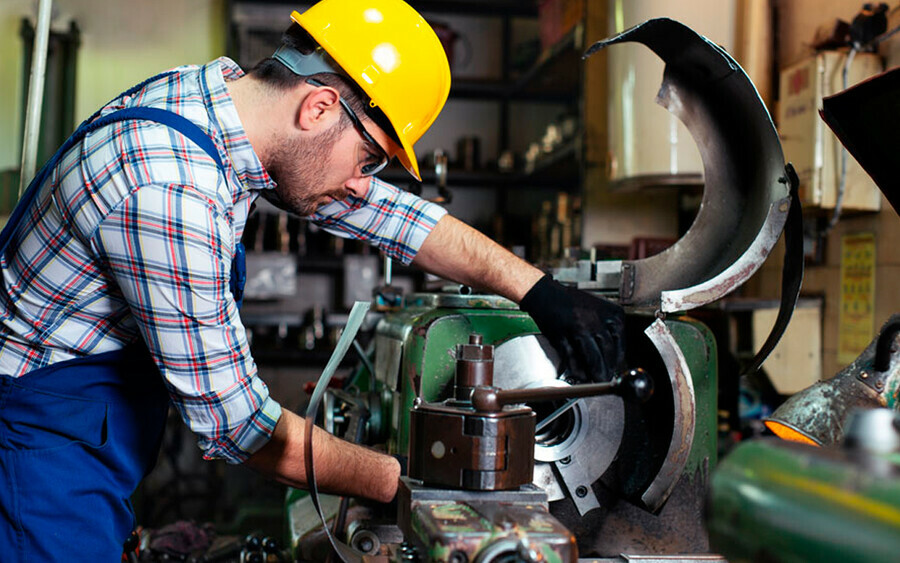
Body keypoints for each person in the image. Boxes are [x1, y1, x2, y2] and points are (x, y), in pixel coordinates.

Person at [0, 0, 624, 560]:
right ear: (319, 105)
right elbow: (238, 427)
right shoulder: (172, 189)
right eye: (370, 159)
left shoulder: (221, 109)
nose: (363, 182)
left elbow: (395, 217)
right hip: (38, 454)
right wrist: (414, 481)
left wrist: (538, 290)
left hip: (78, 428)